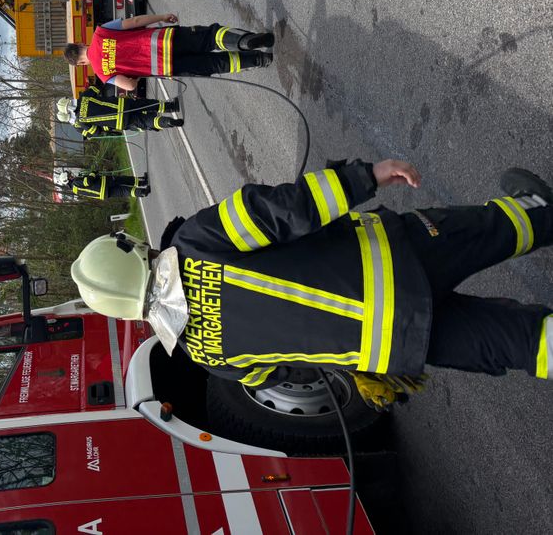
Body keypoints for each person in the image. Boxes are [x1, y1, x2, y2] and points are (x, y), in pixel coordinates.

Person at [71, 160, 553, 408]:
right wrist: (366, 175)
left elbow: (282, 373)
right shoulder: (195, 242)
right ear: (132, 252)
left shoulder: (206, 357)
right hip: (395, 260)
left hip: (392, 342)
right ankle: (539, 207)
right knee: (490, 231)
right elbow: (285, 210)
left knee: (522, 345)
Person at [63, 13, 274, 92]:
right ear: (81, 43)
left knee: (214, 64)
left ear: (81, 64)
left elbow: (130, 85)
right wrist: (161, 17)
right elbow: (135, 22)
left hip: (167, 66)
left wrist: (134, 73)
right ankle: (244, 40)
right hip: (166, 39)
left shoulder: (103, 74)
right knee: (210, 37)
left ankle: (260, 59)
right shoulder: (101, 32)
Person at [57, 87, 183, 141]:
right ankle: (171, 106)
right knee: (145, 104)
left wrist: (100, 127)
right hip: (122, 104)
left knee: (145, 121)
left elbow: (95, 132)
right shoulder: (83, 98)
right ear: (68, 100)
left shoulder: (81, 121)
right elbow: (96, 88)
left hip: (119, 121)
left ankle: (168, 122)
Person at [57, 169, 150, 200]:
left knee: (123, 191)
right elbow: (88, 182)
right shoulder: (75, 182)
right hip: (104, 184)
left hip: (104, 194)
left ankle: (142, 192)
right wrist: (93, 173)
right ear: (67, 179)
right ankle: (142, 182)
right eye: (69, 175)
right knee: (123, 180)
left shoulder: (75, 189)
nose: (71, 175)